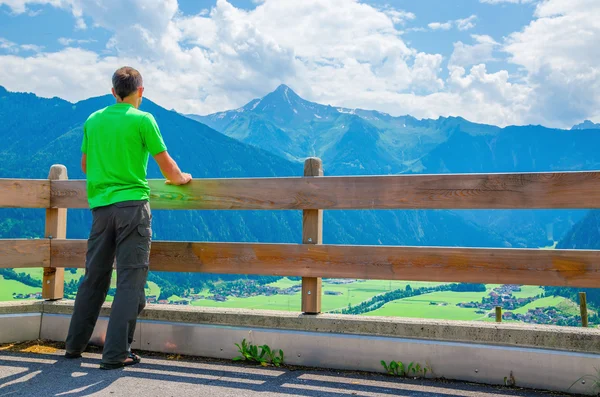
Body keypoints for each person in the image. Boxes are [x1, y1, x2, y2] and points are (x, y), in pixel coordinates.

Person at [64, 66, 192, 370]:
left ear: (113, 92)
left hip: (100, 210)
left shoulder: (93, 120)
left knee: (93, 278)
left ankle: (73, 346)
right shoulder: (144, 119)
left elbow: (85, 165)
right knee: (130, 283)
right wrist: (183, 178)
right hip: (132, 208)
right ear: (140, 91)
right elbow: (168, 169)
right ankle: (116, 353)